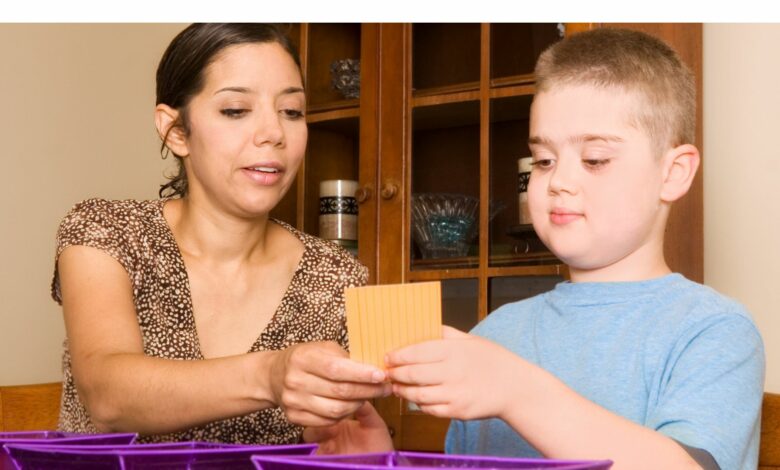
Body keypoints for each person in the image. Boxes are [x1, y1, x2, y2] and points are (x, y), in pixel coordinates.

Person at [307, 28, 766, 469]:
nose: (558, 181)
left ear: (674, 173)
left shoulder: (712, 330)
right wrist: (376, 460)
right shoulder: (497, 332)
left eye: (595, 160)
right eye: (544, 161)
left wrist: (517, 391)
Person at [50, 23, 389, 445]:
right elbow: (108, 397)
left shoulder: (337, 277)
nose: (274, 134)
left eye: (291, 111)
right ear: (175, 130)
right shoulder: (108, 232)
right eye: (235, 110)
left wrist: (356, 447)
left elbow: (337, 441)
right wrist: (270, 374)